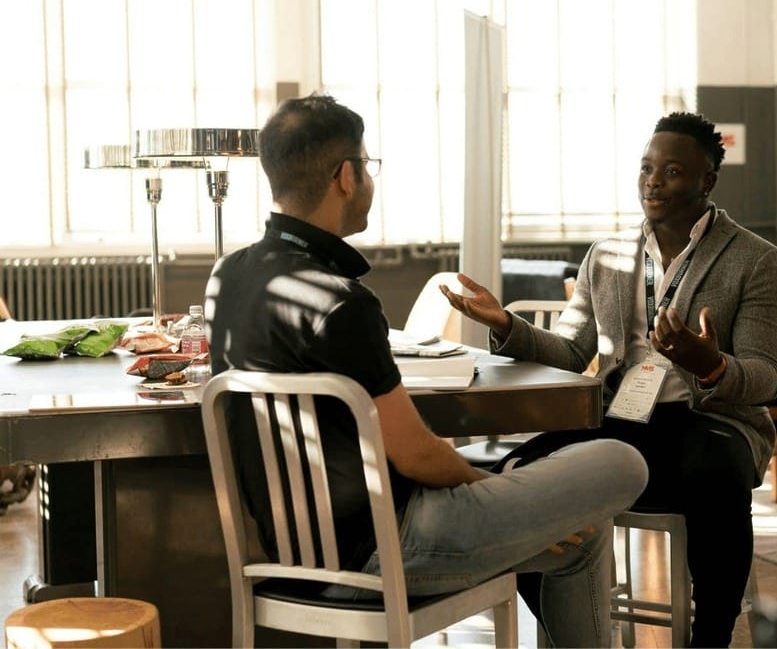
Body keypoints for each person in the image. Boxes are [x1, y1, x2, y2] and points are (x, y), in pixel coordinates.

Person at [204, 93, 649, 647]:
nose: (369, 179)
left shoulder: (228, 276)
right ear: (346, 175)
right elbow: (414, 453)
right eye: (367, 165)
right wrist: (492, 486)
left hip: (288, 555)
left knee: (581, 537)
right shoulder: (343, 302)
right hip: (389, 548)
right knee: (621, 460)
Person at [441, 111, 777, 647]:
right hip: (622, 418)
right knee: (524, 471)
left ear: (707, 182)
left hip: (711, 422)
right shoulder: (605, 256)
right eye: (647, 168)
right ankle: (569, 630)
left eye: (672, 170)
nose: (653, 181)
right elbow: (573, 350)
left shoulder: (755, 259)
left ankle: (712, 634)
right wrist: (506, 325)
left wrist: (709, 365)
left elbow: (766, 377)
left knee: (714, 471)